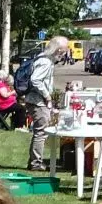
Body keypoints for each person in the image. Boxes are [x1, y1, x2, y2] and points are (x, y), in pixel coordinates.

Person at [25, 35, 74, 171]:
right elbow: (35, 80)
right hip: (38, 101)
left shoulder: (43, 58)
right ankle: (36, 163)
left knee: (40, 131)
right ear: (58, 50)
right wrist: (47, 96)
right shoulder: (45, 62)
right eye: (64, 50)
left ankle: (34, 161)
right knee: (41, 132)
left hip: (35, 99)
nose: (64, 54)